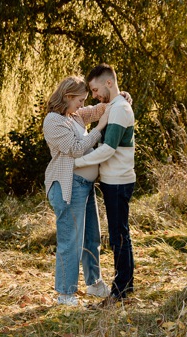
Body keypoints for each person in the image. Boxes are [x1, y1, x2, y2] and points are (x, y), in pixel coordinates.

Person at [43, 76, 113, 306]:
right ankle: (65, 294)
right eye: (79, 100)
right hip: (68, 186)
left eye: (84, 100)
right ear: (67, 96)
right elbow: (75, 148)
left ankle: (94, 284)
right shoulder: (53, 121)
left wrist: (119, 98)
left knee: (91, 237)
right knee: (70, 240)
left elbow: (97, 109)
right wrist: (100, 129)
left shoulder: (74, 116)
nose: (83, 105)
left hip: (84, 185)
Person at [75, 64, 136, 304]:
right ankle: (125, 286)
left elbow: (109, 149)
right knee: (120, 234)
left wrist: (78, 162)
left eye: (95, 89)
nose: (94, 95)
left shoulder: (120, 108)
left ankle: (120, 290)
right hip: (113, 180)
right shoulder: (114, 105)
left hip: (119, 181)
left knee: (119, 236)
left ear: (108, 83)